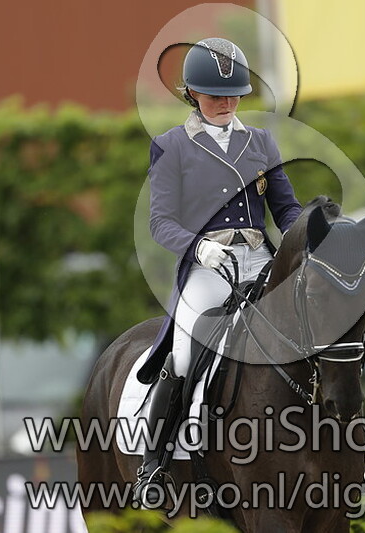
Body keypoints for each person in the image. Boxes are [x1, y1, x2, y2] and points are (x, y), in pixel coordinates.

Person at [133, 37, 303, 505]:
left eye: (234, 95)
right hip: (209, 266)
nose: (227, 103)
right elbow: (160, 222)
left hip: (261, 259)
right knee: (184, 353)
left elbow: (285, 208)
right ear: (192, 93)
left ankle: (356, 451)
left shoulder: (260, 141)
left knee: (316, 329)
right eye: (215, 95)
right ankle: (154, 465)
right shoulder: (171, 146)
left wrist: (305, 234)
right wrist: (198, 247)